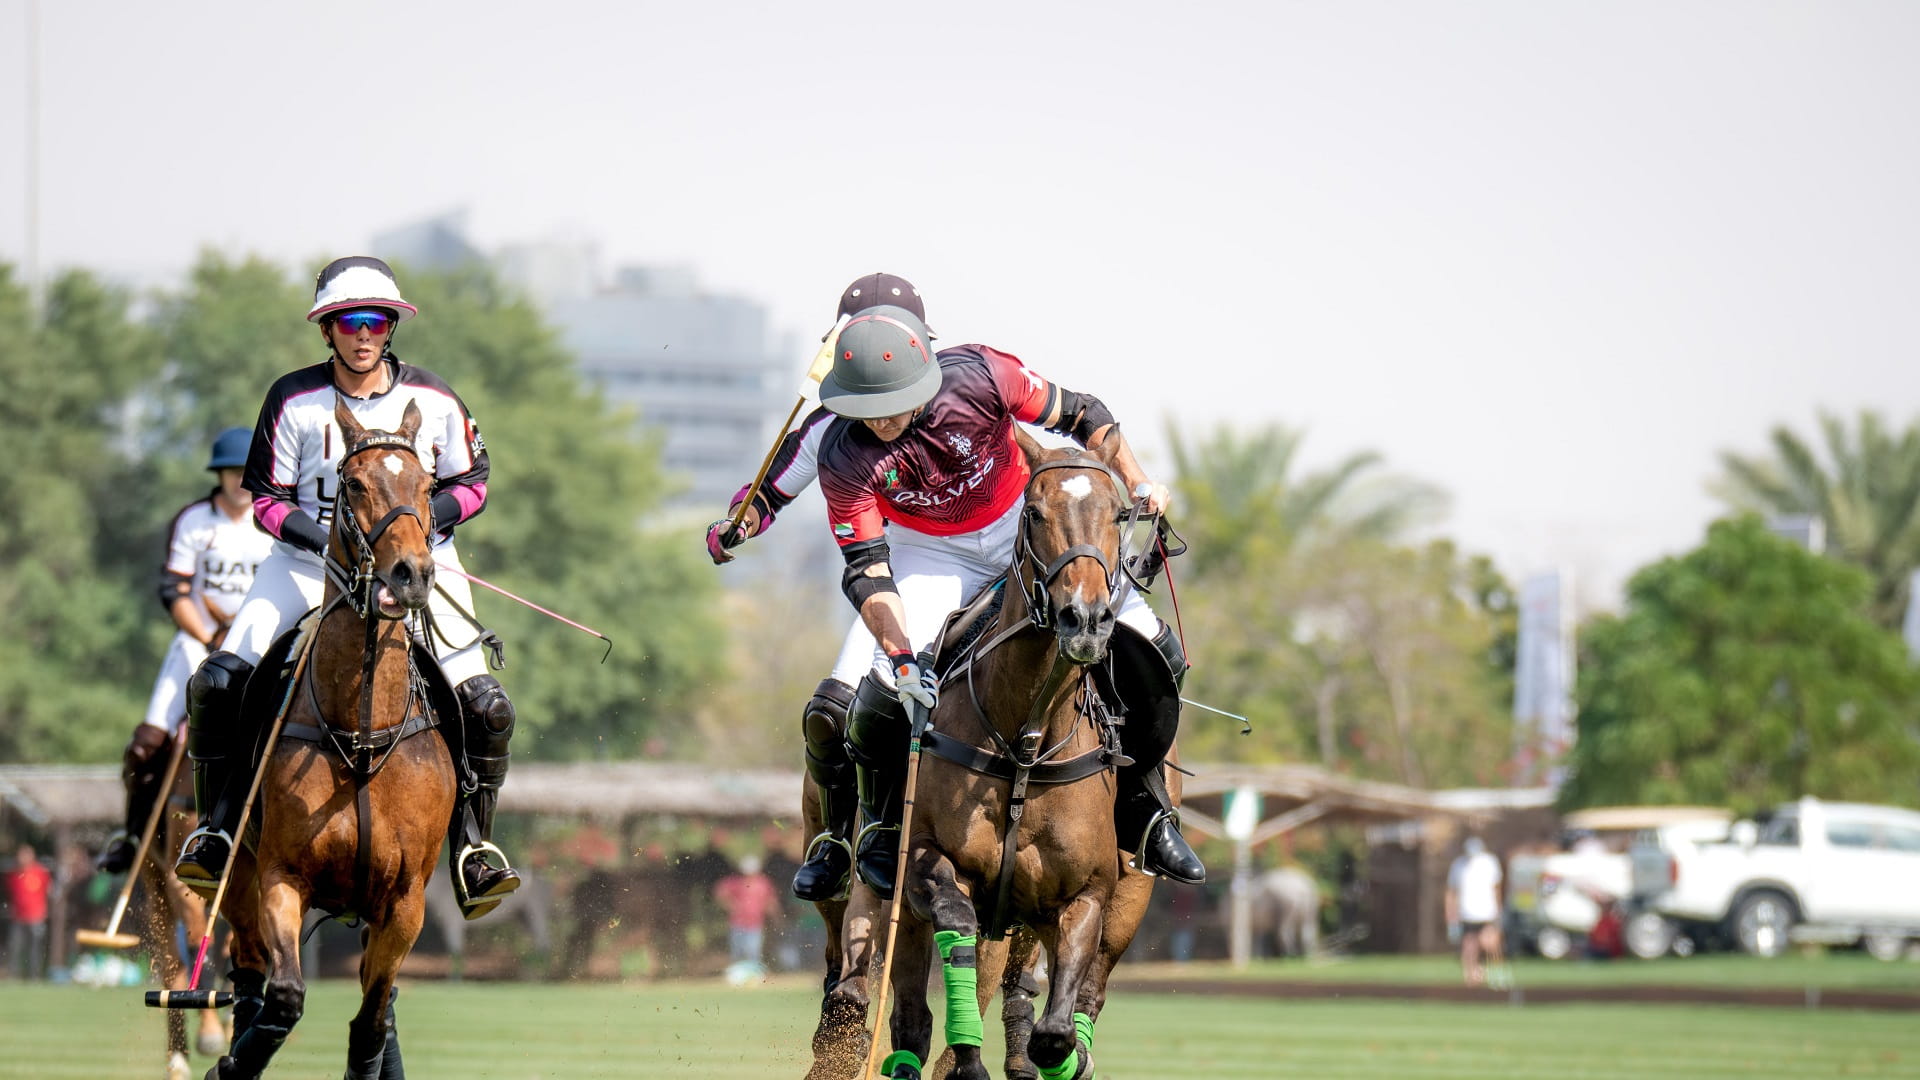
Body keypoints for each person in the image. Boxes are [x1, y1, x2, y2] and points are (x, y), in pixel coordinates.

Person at [707, 274, 1202, 902]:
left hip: (1025, 533)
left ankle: (1145, 809)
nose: (881, 422)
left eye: (894, 404)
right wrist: (900, 653)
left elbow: (1085, 415)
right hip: (927, 551)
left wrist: (1136, 481)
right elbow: (868, 568)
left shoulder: (985, 376)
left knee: (1159, 650)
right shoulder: (841, 450)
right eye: (867, 409)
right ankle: (873, 829)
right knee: (862, 695)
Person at [172, 256, 520, 919]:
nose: (364, 333)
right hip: (308, 565)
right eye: (348, 322)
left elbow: (473, 483)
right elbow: (268, 497)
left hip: (419, 562)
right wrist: (323, 545)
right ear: (327, 330)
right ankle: (216, 830)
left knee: (487, 706)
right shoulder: (292, 398)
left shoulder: (437, 398)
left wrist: (419, 529)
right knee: (217, 683)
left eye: (377, 321)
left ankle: (475, 848)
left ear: (391, 327)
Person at [97, 429, 273, 873]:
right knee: (146, 744)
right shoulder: (195, 520)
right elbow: (174, 589)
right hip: (198, 641)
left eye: (246, 474)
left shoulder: (274, 521)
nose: (239, 482)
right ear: (219, 475)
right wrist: (209, 635)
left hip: (259, 643)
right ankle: (132, 834)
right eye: (231, 473)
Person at [1446, 835, 1506, 987]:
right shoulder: (1458, 865)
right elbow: (1451, 892)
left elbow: (1496, 888)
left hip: (1487, 912)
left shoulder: (1489, 862)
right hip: (1467, 913)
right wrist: (1451, 917)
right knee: (1469, 946)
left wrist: (1498, 911)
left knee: (1491, 944)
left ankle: (1497, 975)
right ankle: (1471, 979)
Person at [712, 854, 779, 970]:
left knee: (753, 952)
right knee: (737, 952)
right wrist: (730, 905)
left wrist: (776, 917)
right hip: (737, 923)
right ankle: (738, 976)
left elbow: (770, 901)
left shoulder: (763, 883)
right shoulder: (735, 882)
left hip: (755, 924)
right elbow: (719, 892)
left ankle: (753, 974)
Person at [6, 845, 51, 981]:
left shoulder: (40, 873)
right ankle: (14, 975)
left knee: (35, 949)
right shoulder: (14, 874)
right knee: (15, 947)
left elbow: (48, 891)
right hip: (18, 918)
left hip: (36, 918)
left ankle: (34, 976)